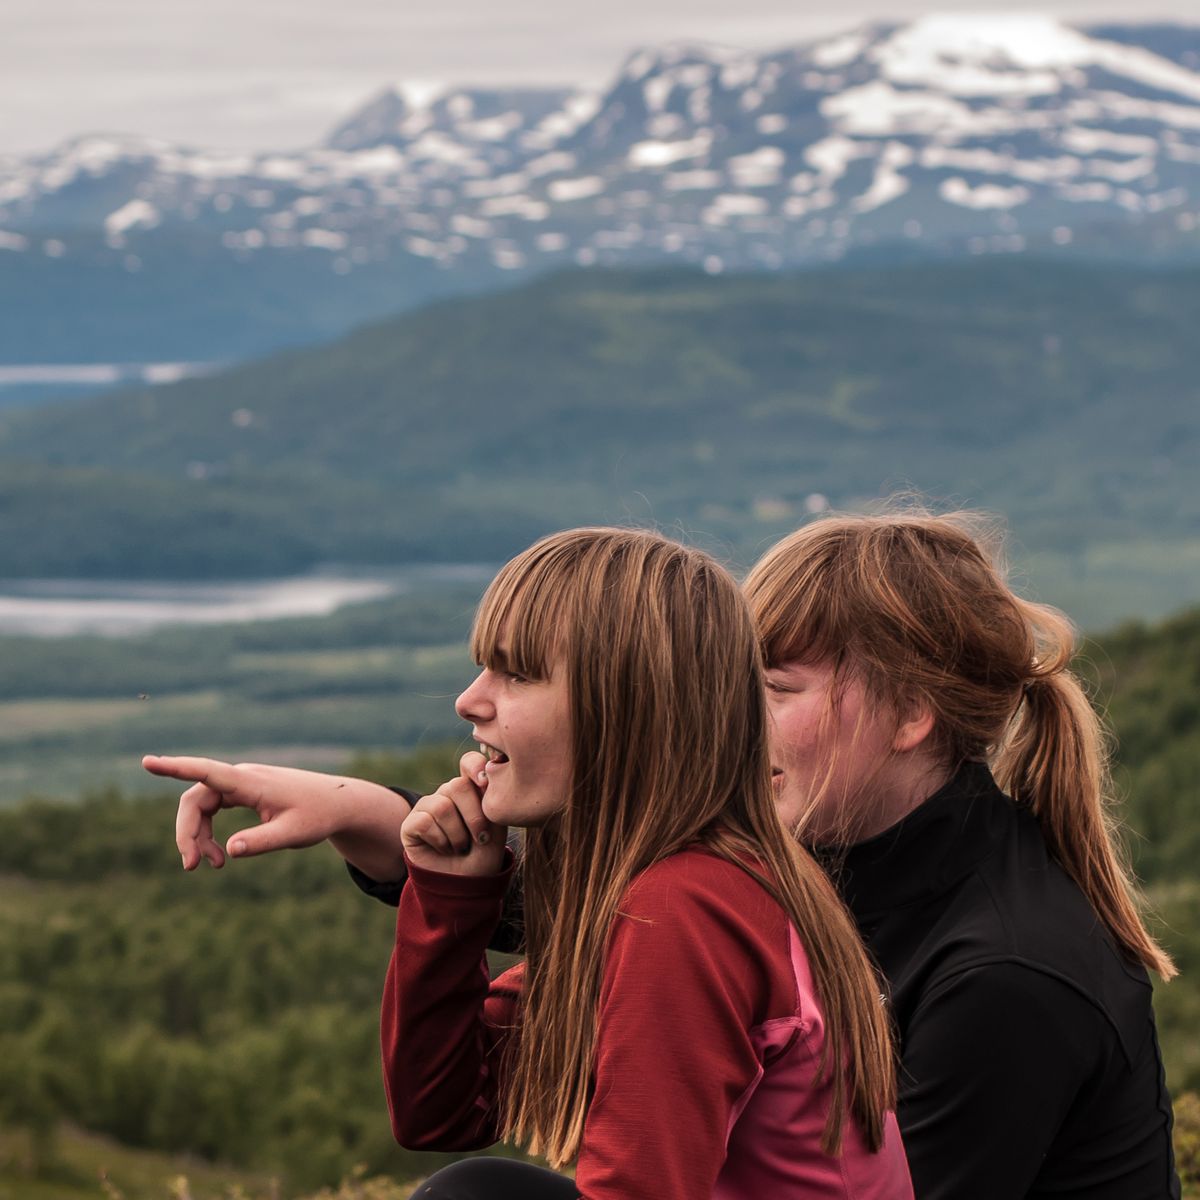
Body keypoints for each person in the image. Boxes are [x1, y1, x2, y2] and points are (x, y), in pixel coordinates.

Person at [148, 510, 1181, 1199]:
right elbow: (466, 1078)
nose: (736, 723)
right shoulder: (796, 871)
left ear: (911, 714)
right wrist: (394, 841)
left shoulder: (1008, 977)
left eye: (769, 692)